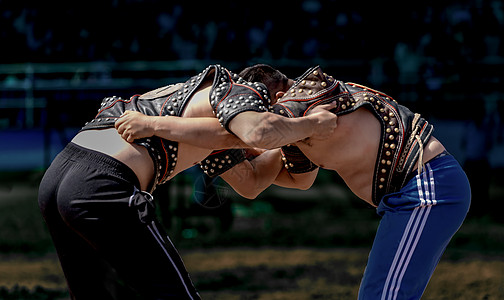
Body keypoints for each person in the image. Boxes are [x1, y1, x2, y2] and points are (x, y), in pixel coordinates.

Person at [120, 64, 471, 300]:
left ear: (268, 98)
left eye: (248, 106)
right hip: (415, 192)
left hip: (425, 187)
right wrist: (242, 152)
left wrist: (154, 126)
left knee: (383, 295)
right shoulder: (302, 128)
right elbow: (280, 181)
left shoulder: (305, 100)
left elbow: (250, 131)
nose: (243, 113)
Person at [37, 64, 337, 300]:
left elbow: (254, 182)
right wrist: (307, 123)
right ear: (276, 98)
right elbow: (259, 133)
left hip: (62, 175)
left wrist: (292, 135)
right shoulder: (242, 91)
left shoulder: (205, 126)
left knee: (96, 296)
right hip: (100, 181)